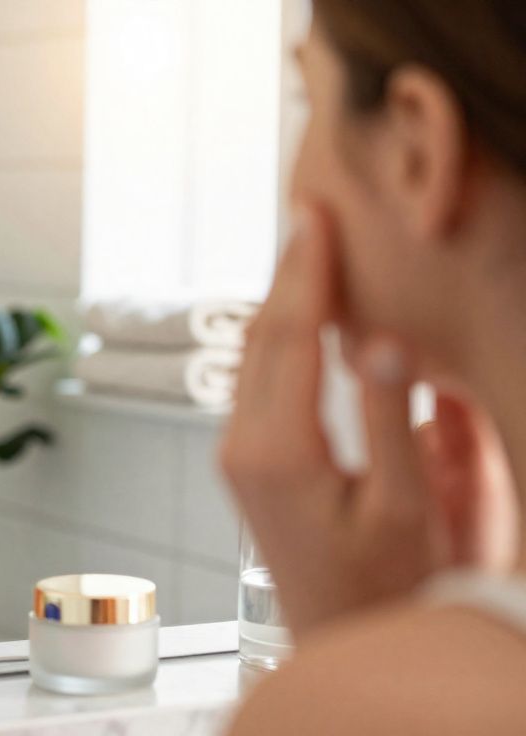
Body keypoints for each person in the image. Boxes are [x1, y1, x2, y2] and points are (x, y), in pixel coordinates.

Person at [222, 1, 526, 733]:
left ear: (415, 148)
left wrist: (344, 657)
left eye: (308, 99)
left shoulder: (354, 708)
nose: (296, 183)